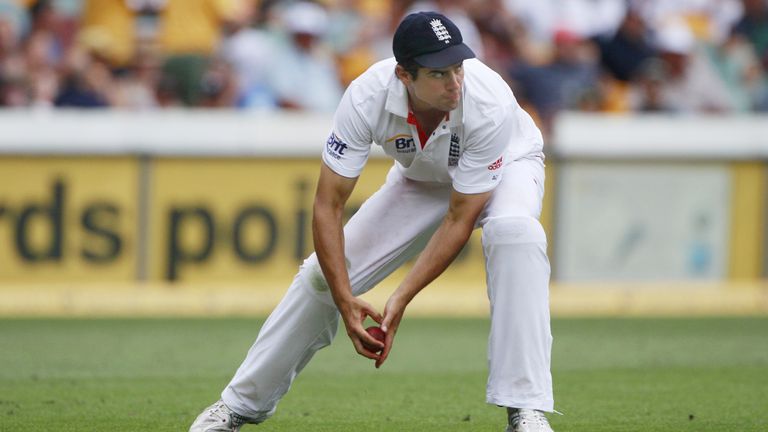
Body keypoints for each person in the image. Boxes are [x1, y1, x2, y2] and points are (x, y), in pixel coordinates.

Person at [189, 11, 556, 432]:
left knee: (515, 233)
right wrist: (344, 299)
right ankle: (236, 407)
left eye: (458, 68)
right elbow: (327, 204)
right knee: (318, 279)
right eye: (439, 74)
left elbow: (459, 218)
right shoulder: (365, 96)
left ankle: (524, 410)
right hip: (421, 176)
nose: (455, 84)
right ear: (404, 75)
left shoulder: (488, 100)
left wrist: (399, 298)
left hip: (506, 163)